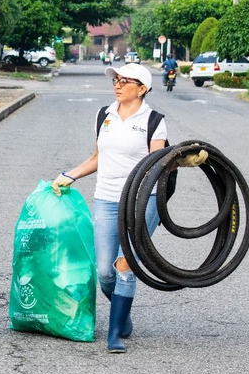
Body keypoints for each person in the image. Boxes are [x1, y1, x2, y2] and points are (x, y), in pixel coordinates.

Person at [50, 63, 205, 353]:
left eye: (125, 81)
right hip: (106, 198)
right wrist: (69, 175)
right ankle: (122, 314)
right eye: (116, 80)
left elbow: (157, 162)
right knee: (104, 271)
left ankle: (115, 334)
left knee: (125, 264)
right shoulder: (104, 115)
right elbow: (97, 157)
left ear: (142, 88)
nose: (117, 85)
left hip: (142, 200)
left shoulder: (154, 120)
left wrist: (179, 159)